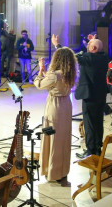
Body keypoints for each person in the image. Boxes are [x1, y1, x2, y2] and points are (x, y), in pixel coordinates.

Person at [52, 34, 109, 157]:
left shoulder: (88, 58)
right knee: (98, 122)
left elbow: (69, 57)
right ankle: (98, 148)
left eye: (88, 45)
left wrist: (57, 45)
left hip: (90, 96)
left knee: (89, 124)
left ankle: (90, 151)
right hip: (101, 95)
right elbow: (95, 48)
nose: (86, 46)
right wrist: (92, 41)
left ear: (93, 49)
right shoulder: (104, 58)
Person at [34, 47, 77, 183]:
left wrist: (40, 70)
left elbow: (40, 84)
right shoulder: (70, 73)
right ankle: (62, 170)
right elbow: (54, 81)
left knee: (53, 138)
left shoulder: (54, 74)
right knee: (63, 138)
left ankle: (52, 171)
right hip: (66, 105)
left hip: (55, 106)